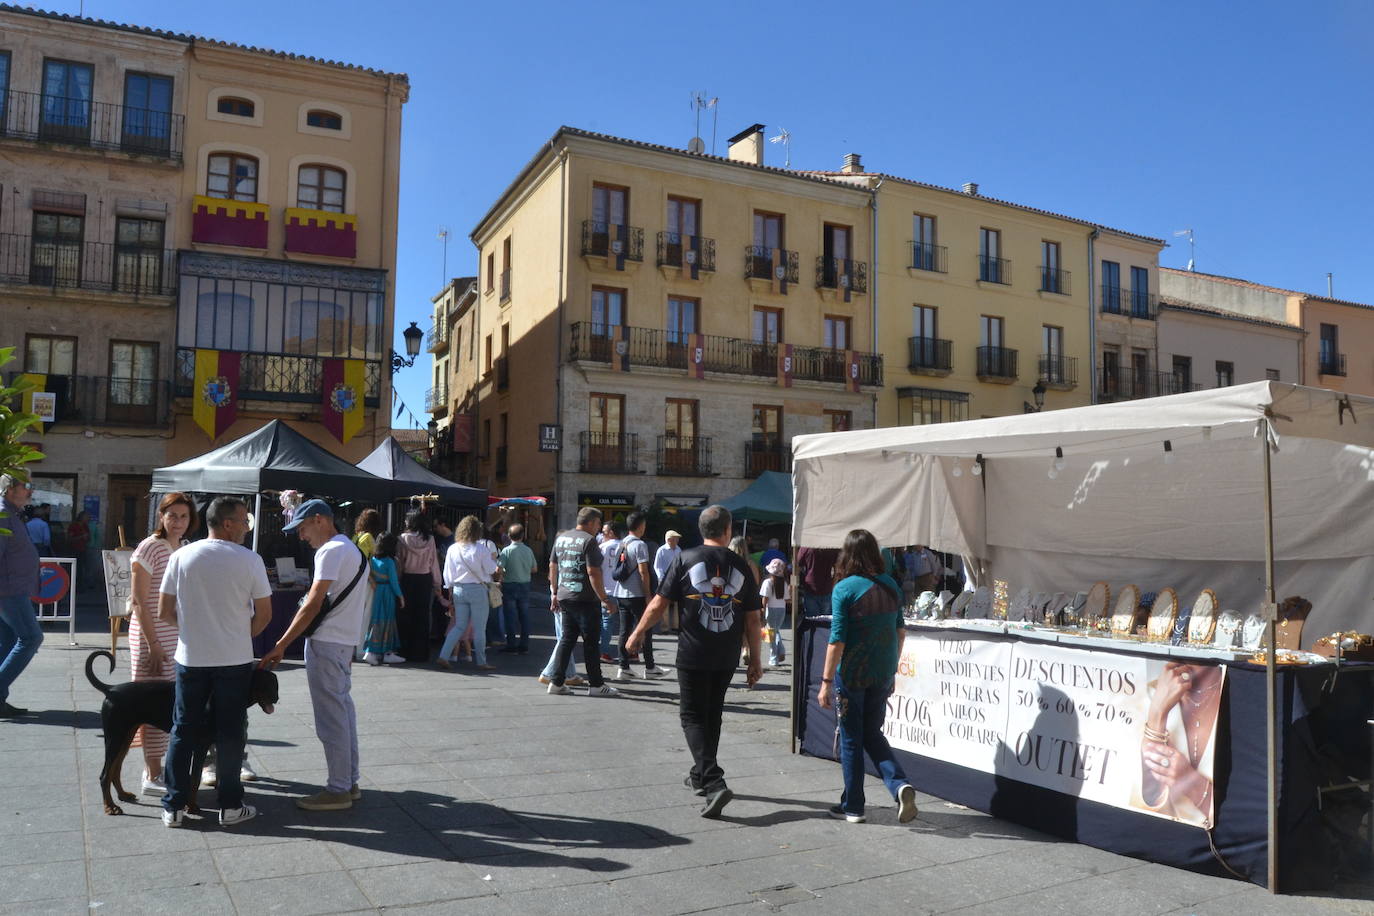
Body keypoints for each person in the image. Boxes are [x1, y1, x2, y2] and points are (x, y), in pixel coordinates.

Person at [627, 505, 761, 817]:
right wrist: (755, 659)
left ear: (701, 530)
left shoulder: (683, 559)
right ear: (727, 530)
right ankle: (700, 774)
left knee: (691, 716)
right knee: (712, 715)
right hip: (726, 653)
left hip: (693, 651)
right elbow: (753, 620)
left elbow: (659, 603)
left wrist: (637, 633)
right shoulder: (742, 564)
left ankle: (713, 782)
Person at [156, 496, 272, 828]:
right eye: (244, 521)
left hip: (191, 656)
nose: (247, 527)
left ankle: (173, 806)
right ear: (228, 523)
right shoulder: (250, 560)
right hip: (233, 659)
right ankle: (231, 805)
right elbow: (264, 614)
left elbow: (164, 611)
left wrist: (194, 630)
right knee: (231, 732)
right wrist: (236, 635)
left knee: (183, 730)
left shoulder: (181, 556)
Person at [260, 499, 370, 811]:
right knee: (343, 713)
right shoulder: (351, 549)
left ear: (320, 520)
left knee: (331, 719)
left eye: (303, 527)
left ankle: (338, 789)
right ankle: (349, 781)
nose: (301, 535)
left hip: (326, 641)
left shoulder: (330, 551)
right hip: (343, 642)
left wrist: (281, 643)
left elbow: (312, 603)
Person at [816, 528, 918, 825]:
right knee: (872, 733)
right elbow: (900, 631)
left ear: (847, 555)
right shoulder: (891, 585)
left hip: (853, 673)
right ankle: (898, 785)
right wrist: (893, 669)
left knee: (851, 739)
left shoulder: (845, 588)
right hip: (882, 670)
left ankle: (854, 806)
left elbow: (837, 640)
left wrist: (824, 683)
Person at [127, 492, 197, 795]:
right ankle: (152, 774)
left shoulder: (184, 547)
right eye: (173, 515)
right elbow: (139, 601)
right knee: (152, 705)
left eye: (184, 516)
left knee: (169, 704)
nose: (178, 522)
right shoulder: (150, 547)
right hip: (149, 634)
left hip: (174, 635)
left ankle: (157, 770)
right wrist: (152, 644)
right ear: (161, 516)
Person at [547, 507, 620, 698]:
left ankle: (556, 682)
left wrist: (554, 592)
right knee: (591, 643)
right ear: (591, 522)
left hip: (565, 596)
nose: (598, 528)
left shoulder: (561, 539)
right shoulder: (589, 541)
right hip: (586, 599)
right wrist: (605, 599)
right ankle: (596, 684)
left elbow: (552, 566)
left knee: (567, 640)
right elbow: (593, 572)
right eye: (597, 524)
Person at [1138, 662, 1222, 823]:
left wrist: (1191, 782)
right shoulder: (1148, 695)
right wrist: (1157, 713)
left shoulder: (1239, 697)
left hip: (1221, 842)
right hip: (1161, 839)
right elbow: (1144, 803)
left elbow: (1249, 816)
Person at [0, 473, 41, 717]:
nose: (30, 492)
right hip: (8, 590)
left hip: (12, 587)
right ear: (10, 489)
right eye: (27, 486)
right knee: (30, 638)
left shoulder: (10, 513)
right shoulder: (3, 515)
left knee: (8, 641)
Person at [610, 512, 668, 681]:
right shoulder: (640, 545)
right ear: (641, 526)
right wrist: (648, 594)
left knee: (623, 631)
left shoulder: (622, 543)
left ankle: (623, 666)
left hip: (621, 592)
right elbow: (643, 571)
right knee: (646, 629)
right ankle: (649, 667)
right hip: (637, 594)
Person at [437, 516, 499, 671]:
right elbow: (491, 569)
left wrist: (450, 590)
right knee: (479, 628)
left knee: (459, 626)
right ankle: (481, 661)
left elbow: (447, 573)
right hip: (477, 590)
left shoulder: (453, 548)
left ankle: (444, 655)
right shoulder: (481, 549)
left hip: (458, 589)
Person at [396, 511, 442, 662]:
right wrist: (437, 583)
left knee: (405, 615)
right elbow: (433, 562)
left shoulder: (402, 539)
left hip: (407, 579)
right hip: (425, 579)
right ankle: (421, 652)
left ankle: (405, 650)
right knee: (422, 616)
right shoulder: (430, 540)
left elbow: (400, 564)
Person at [363, 532, 405, 666]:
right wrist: (401, 596)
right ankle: (388, 653)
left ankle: (371, 651)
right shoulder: (389, 561)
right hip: (387, 593)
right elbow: (393, 582)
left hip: (377, 592)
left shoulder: (373, 560)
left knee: (376, 620)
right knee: (388, 620)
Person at [498, 524, 536, 654]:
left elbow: (499, 569)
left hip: (509, 585)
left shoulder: (506, 551)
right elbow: (534, 569)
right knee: (524, 616)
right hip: (525, 584)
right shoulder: (528, 550)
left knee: (510, 616)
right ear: (523, 535)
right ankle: (524, 644)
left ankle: (511, 644)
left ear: (509, 536)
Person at [597, 520, 625, 664]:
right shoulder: (624, 546)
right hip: (622, 589)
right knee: (626, 622)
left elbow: (596, 569)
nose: (602, 535)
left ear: (611, 533)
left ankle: (604, 651)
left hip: (605, 588)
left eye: (604, 532)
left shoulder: (601, 547)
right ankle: (628, 651)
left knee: (605, 621)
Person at [796, 546, 840, 618]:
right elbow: (837, 567)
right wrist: (834, 584)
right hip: (827, 588)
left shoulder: (806, 547)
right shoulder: (831, 547)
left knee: (812, 620)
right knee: (826, 621)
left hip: (810, 587)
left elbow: (797, 565)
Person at [760, 557, 789, 667]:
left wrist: (762, 611)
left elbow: (765, 599)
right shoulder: (784, 583)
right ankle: (780, 651)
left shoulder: (767, 582)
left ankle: (774, 657)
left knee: (771, 632)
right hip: (782, 609)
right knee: (775, 631)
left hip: (770, 609)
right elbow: (787, 599)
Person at [654, 530, 683, 633]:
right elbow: (657, 566)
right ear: (669, 540)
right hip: (664, 579)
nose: (677, 540)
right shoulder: (661, 550)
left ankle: (675, 625)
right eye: (675, 538)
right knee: (664, 603)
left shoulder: (678, 550)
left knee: (676, 603)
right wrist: (662, 578)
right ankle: (664, 627)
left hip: (676, 578)